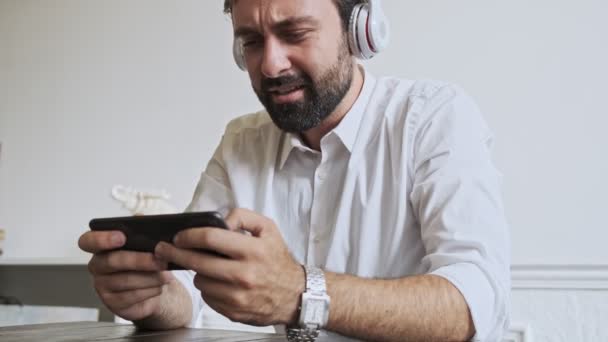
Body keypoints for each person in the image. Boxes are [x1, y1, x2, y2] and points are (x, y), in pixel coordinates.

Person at [78, 0, 511, 340]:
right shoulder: (240, 142)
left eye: (294, 33)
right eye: (250, 41)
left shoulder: (435, 118)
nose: (270, 64)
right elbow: (191, 293)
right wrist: (154, 300)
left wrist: (302, 293)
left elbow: (474, 302)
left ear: (359, 29)